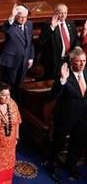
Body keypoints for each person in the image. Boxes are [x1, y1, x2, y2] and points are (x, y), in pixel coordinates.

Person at [47, 48, 87, 180]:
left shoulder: (86, 72)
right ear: (71, 61)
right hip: (65, 116)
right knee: (58, 142)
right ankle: (51, 165)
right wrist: (62, 80)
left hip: (82, 117)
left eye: (84, 61)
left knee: (77, 143)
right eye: (79, 61)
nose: (82, 64)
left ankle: (71, 164)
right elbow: (54, 95)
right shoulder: (64, 75)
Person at [0, 4, 35, 92]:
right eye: (20, 17)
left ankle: (15, 102)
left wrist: (31, 58)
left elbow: (30, 42)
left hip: (24, 61)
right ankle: (1, 101)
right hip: (11, 61)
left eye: (25, 17)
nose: (23, 19)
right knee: (6, 85)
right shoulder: (10, 26)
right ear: (16, 16)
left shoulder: (29, 24)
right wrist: (12, 15)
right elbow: (6, 27)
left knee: (19, 84)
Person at [39, 3, 80, 80]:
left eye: (65, 13)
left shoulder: (71, 23)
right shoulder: (48, 24)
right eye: (61, 13)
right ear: (56, 13)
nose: (63, 15)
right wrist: (52, 27)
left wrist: (77, 47)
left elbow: (75, 39)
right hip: (54, 61)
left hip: (69, 59)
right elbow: (42, 41)